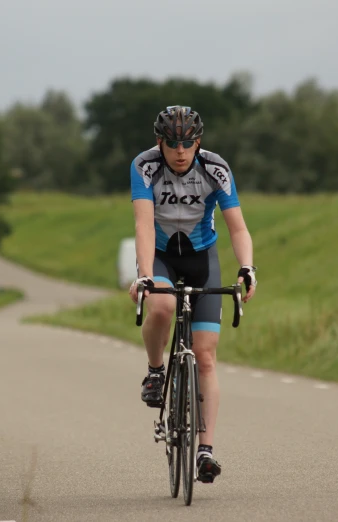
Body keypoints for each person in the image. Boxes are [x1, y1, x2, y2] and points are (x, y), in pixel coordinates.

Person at [129, 105, 257, 484]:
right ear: (160, 142)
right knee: (163, 305)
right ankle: (155, 371)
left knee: (205, 357)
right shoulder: (145, 167)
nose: (180, 151)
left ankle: (205, 450)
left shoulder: (215, 168)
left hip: (203, 258)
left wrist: (247, 267)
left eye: (187, 143)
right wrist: (147, 275)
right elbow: (142, 224)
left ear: (198, 142)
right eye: (172, 143)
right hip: (162, 257)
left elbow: (238, 227)